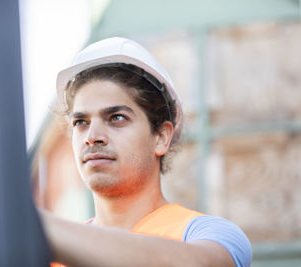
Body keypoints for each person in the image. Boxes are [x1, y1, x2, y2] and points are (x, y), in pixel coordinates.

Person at [39, 37, 252, 267]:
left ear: (161, 137)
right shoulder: (55, 255)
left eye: (117, 118)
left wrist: (38, 227)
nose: (92, 137)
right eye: (81, 122)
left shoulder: (208, 236)